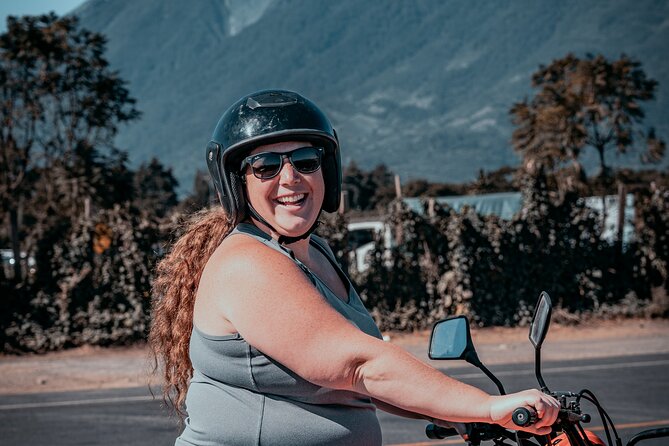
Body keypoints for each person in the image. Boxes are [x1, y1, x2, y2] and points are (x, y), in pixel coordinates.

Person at [150, 89, 559, 446]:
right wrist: (488, 406)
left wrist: (452, 409)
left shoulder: (316, 254)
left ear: (327, 170)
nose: (290, 178)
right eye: (266, 166)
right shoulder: (247, 263)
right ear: (238, 182)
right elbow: (359, 365)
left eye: (306, 160)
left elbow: (353, 384)